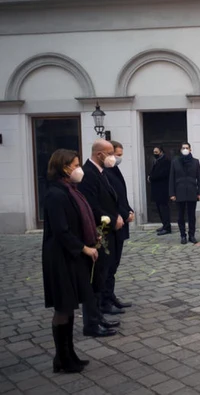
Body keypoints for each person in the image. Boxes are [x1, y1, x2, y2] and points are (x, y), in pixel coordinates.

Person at [42, 149, 99, 373]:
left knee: (69, 305)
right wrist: (83, 247)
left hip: (71, 257)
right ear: (65, 167)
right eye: (75, 164)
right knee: (63, 307)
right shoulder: (55, 194)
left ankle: (69, 354)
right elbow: (61, 230)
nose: (79, 168)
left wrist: (92, 236)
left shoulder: (70, 190)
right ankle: (61, 358)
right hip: (60, 258)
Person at [78, 140, 121, 337]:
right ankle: (92, 323)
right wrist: (112, 220)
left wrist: (118, 215)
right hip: (98, 233)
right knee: (95, 279)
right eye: (110, 152)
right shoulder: (88, 174)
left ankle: (99, 318)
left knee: (102, 275)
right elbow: (92, 207)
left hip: (106, 231)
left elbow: (110, 199)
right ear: (99, 154)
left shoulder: (100, 172)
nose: (113, 156)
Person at [103, 141, 133, 312]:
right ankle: (105, 300)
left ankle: (110, 295)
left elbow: (121, 195)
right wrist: (123, 213)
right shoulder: (105, 172)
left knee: (114, 264)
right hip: (113, 223)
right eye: (117, 154)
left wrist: (129, 209)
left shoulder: (114, 169)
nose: (118, 158)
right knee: (109, 264)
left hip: (121, 221)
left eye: (121, 154)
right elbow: (110, 199)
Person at [169, 142, 200, 244]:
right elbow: (171, 178)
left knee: (192, 216)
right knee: (181, 216)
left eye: (187, 148)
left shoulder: (195, 162)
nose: (185, 149)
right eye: (183, 148)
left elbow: (199, 178)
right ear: (180, 150)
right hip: (179, 192)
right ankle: (183, 235)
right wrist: (172, 193)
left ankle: (191, 235)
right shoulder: (175, 162)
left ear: (190, 149)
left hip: (192, 192)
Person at [148, 146, 171, 235]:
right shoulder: (156, 161)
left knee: (164, 208)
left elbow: (162, 174)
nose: (155, 154)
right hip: (157, 189)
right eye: (154, 152)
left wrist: (151, 177)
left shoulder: (165, 161)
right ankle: (164, 225)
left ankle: (167, 227)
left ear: (161, 152)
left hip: (163, 189)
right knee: (159, 208)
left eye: (156, 152)